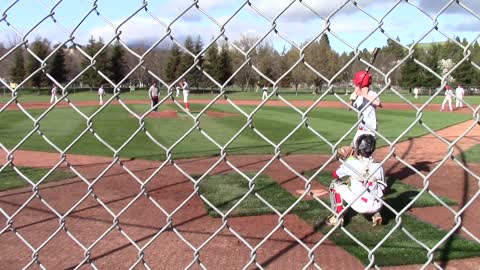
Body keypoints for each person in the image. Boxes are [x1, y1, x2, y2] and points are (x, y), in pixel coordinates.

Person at [327, 134, 387, 227]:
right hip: (378, 204)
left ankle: (338, 217)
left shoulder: (352, 162)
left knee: (335, 184)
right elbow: (383, 189)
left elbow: (335, 175)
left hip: (360, 205)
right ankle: (376, 214)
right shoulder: (378, 165)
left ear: (358, 147)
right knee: (375, 187)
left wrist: (346, 160)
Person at [349, 70, 381, 147]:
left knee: (365, 150)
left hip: (370, 129)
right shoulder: (357, 95)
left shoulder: (372, 93)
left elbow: (378, 103)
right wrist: (352, 100)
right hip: (360, 128)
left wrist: (362, 94)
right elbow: (350, 108)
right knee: (353, 149)